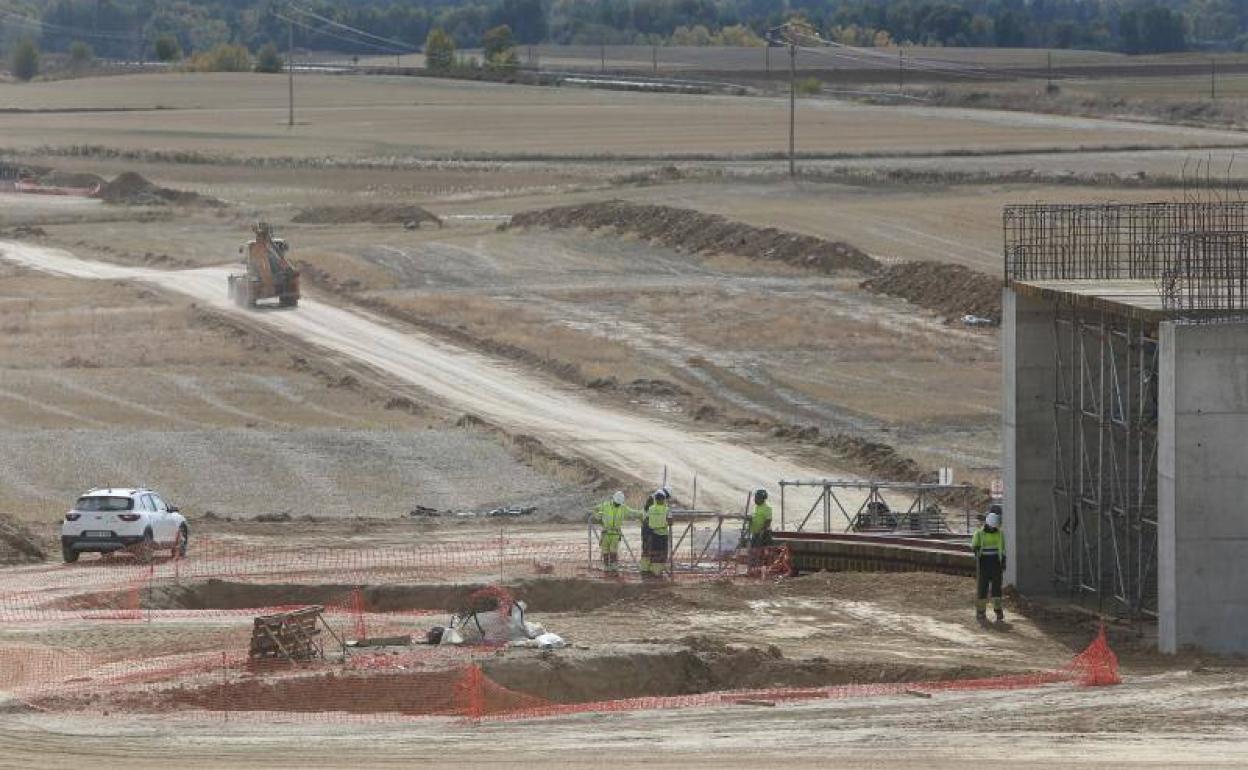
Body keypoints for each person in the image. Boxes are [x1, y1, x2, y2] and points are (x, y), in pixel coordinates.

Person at [972, 510, 1006, 622]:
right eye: (992, 527)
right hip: (984, 564)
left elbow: (1002, 548)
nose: (993, 529)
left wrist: (1003, 561)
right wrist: (976, 550)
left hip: (996, 563)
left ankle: (998, 610)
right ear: (987, 524)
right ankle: (981, 611)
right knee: (982, 588)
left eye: (995, 527)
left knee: (997, 588)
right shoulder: (979, 533)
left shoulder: (999, 533)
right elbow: (975, 545)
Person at [592, 491, 637, 572]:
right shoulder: (605, 505)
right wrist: (597, 515)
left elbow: (633, 512)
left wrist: (642, 513)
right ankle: (606, 566)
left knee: (613, 551)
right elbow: (595, 509)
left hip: (615, 533)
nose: (617, 505)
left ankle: (613, 566)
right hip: (606, 532)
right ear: (613, 500)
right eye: (616, 503)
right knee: (605, 551)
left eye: (619, 504)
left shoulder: (623, 507)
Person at [641, 489, 671, 578]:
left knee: (651, 551)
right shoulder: (665, 508)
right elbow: (670, 521)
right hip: (655, 532)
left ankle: (648, 569)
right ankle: (654, 570)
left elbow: (645, 518)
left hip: (650, 531)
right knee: (657, 552)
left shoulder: (651, 506)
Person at [748, 488, 774, 567]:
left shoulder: (767, 508)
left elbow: (768, 521)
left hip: (763, 533)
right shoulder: (756, 507)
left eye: (757, 498)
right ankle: (754, 566)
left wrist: (761, 531)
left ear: (762, 499)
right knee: (753, 550)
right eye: (755, 497)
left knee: (762, 550)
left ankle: (763, 567)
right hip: (755, 532)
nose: (755, 499)